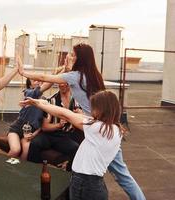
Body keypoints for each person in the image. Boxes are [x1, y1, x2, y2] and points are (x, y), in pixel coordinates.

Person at [18, 43, 146, 200]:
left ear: (80, 58)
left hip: (95, 126)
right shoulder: (92, 75)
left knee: (120, 174)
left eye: (73, 54)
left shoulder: (76, 76)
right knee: (119, 173)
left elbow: (46, 78)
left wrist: (24, 72)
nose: (70, 57)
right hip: (103, 124)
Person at [21, 90, 124, 200]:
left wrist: (37, 104)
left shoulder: (99, 128)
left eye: (94, 108)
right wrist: (40, 102)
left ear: (103, 109)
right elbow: (66, 112)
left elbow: (65, 114)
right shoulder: (114, 129)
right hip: (90, 183)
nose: (92, 111)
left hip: (86, 184)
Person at [27, 83, 80, 167]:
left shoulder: (76, 101)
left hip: (65, 136)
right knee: (34, 144)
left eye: (65, 83)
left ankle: (69, 174)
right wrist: (58, 125)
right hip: (49, 135)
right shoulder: (51, 101)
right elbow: (45, 127)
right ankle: (32, 170)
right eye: (60, 83)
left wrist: (79, 114)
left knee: (75, 148)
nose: (62, 85)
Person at [7, 78, 52, 160]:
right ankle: (4, 168)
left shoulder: (45, 101)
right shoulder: (29, 93)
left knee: (27, 151)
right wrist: (57, 74)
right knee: (15, 150)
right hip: (17, 128)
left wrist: (34, 134)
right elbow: (46, 85)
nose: (38, 81)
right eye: (35, 80)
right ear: (30, 85)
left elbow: (42, 122)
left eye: (39, 80)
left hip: (30, 131)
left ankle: (18, 170)